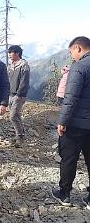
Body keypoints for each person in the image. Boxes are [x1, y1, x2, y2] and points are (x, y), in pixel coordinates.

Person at [51, 36, 90, 208]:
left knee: (69, 158)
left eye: (72, 52)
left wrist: (63, 121)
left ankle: (64, 194)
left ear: (78, 48)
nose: (72, 56)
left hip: (76, 124)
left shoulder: (80, 67)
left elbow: (71, 97)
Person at [8, 45, 30, 148]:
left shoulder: (24, 65)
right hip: (10, 94)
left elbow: (24, 81)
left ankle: (20, 138)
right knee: (16, 116)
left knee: (13, 116)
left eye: (11, 52)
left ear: (17, 53)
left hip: (19, 95)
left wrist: (19, 94)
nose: (9, 55)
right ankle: (20, 135)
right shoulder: (11, 65)